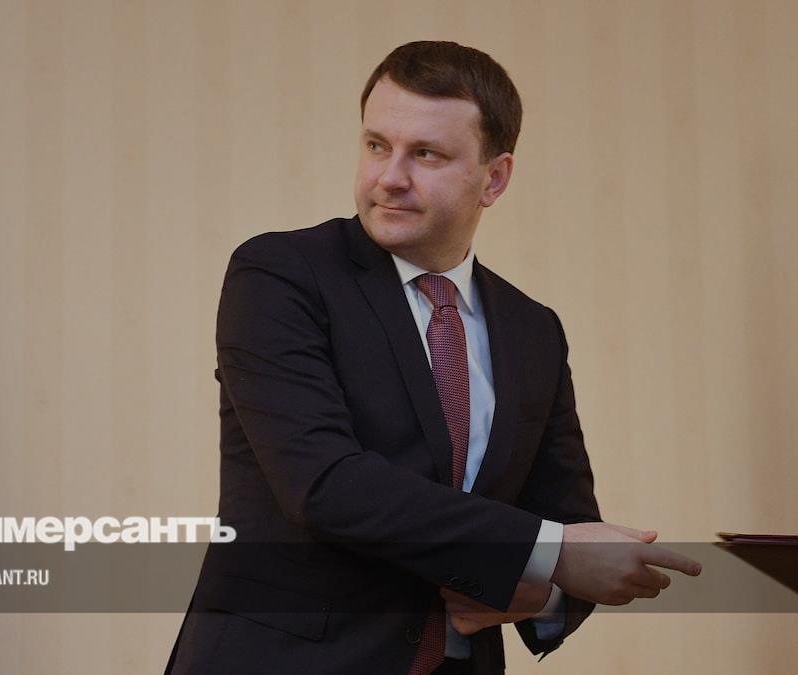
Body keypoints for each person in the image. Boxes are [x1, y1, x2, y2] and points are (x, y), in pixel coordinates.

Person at [165, 41, 701, 675]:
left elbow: (568, 520)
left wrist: (544, 592)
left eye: (426, 154)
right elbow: (325, 486)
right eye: (376, 145)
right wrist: (550, 550)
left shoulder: (534, 330)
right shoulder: (280, 275)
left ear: (494, 178)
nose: (390, 177)